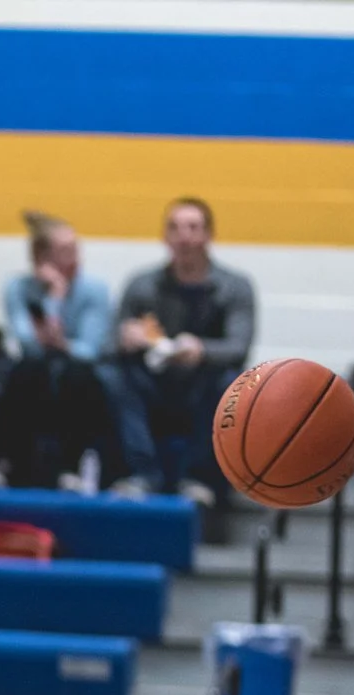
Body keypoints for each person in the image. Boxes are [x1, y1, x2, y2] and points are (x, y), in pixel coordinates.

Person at [104, 198, 256, 504]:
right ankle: (142, 475)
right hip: (154, 386)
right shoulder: (141, 284)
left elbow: (238, 347)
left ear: (209, 235)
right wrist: (125, 338)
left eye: (193, 228)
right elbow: (106, 346)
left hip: (203, 387)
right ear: (164, 237)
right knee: (112, 375)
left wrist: (201, 350)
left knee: (231, 381)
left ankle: (198, 479)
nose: (184, 236)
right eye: (174, 228)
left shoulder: (235, 286)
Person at [0, 212, 121, 493]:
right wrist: (54, 297)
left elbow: (89, 350)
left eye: (76, 249)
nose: (75, 258)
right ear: (41, 258)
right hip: (38, 367)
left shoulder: (94, 289)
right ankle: (9, 462)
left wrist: (58, 331)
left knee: (75, 372)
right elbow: (28, 343)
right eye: (65, 251)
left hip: (80, 371)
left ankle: (72, 466)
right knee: (27, 368)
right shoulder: (18, 287)